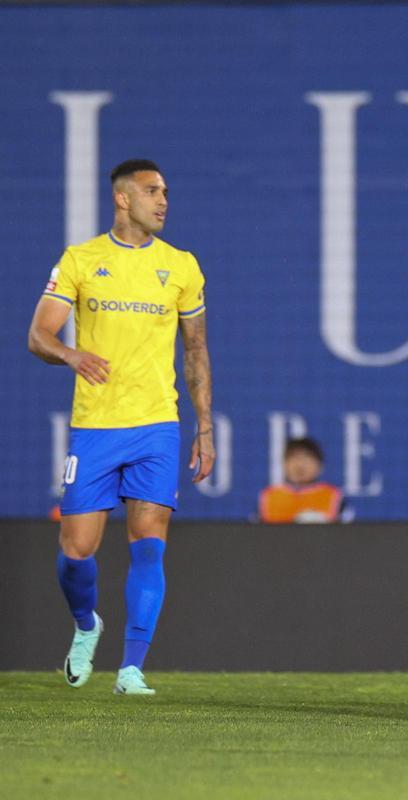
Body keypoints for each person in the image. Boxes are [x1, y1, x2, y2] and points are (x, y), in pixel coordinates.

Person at [28, 158, 215, 696]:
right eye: (152, 190)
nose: (163, 200)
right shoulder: (82, 260)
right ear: (122, 198)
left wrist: (204, 428)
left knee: (149, 542)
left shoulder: (181, 266)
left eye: (166, 191)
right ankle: (87, 625)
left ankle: (132, 668)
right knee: (77, 550)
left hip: (157, 423)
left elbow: (197, 351)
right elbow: (38, 334)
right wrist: (70, 354)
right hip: (96, 426)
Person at [258, 437, 345, 523]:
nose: (300, 464)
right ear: (284, 464)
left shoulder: (333, 496)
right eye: (294, 457)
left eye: (306, 458)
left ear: (319, 466)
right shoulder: (270, 496)